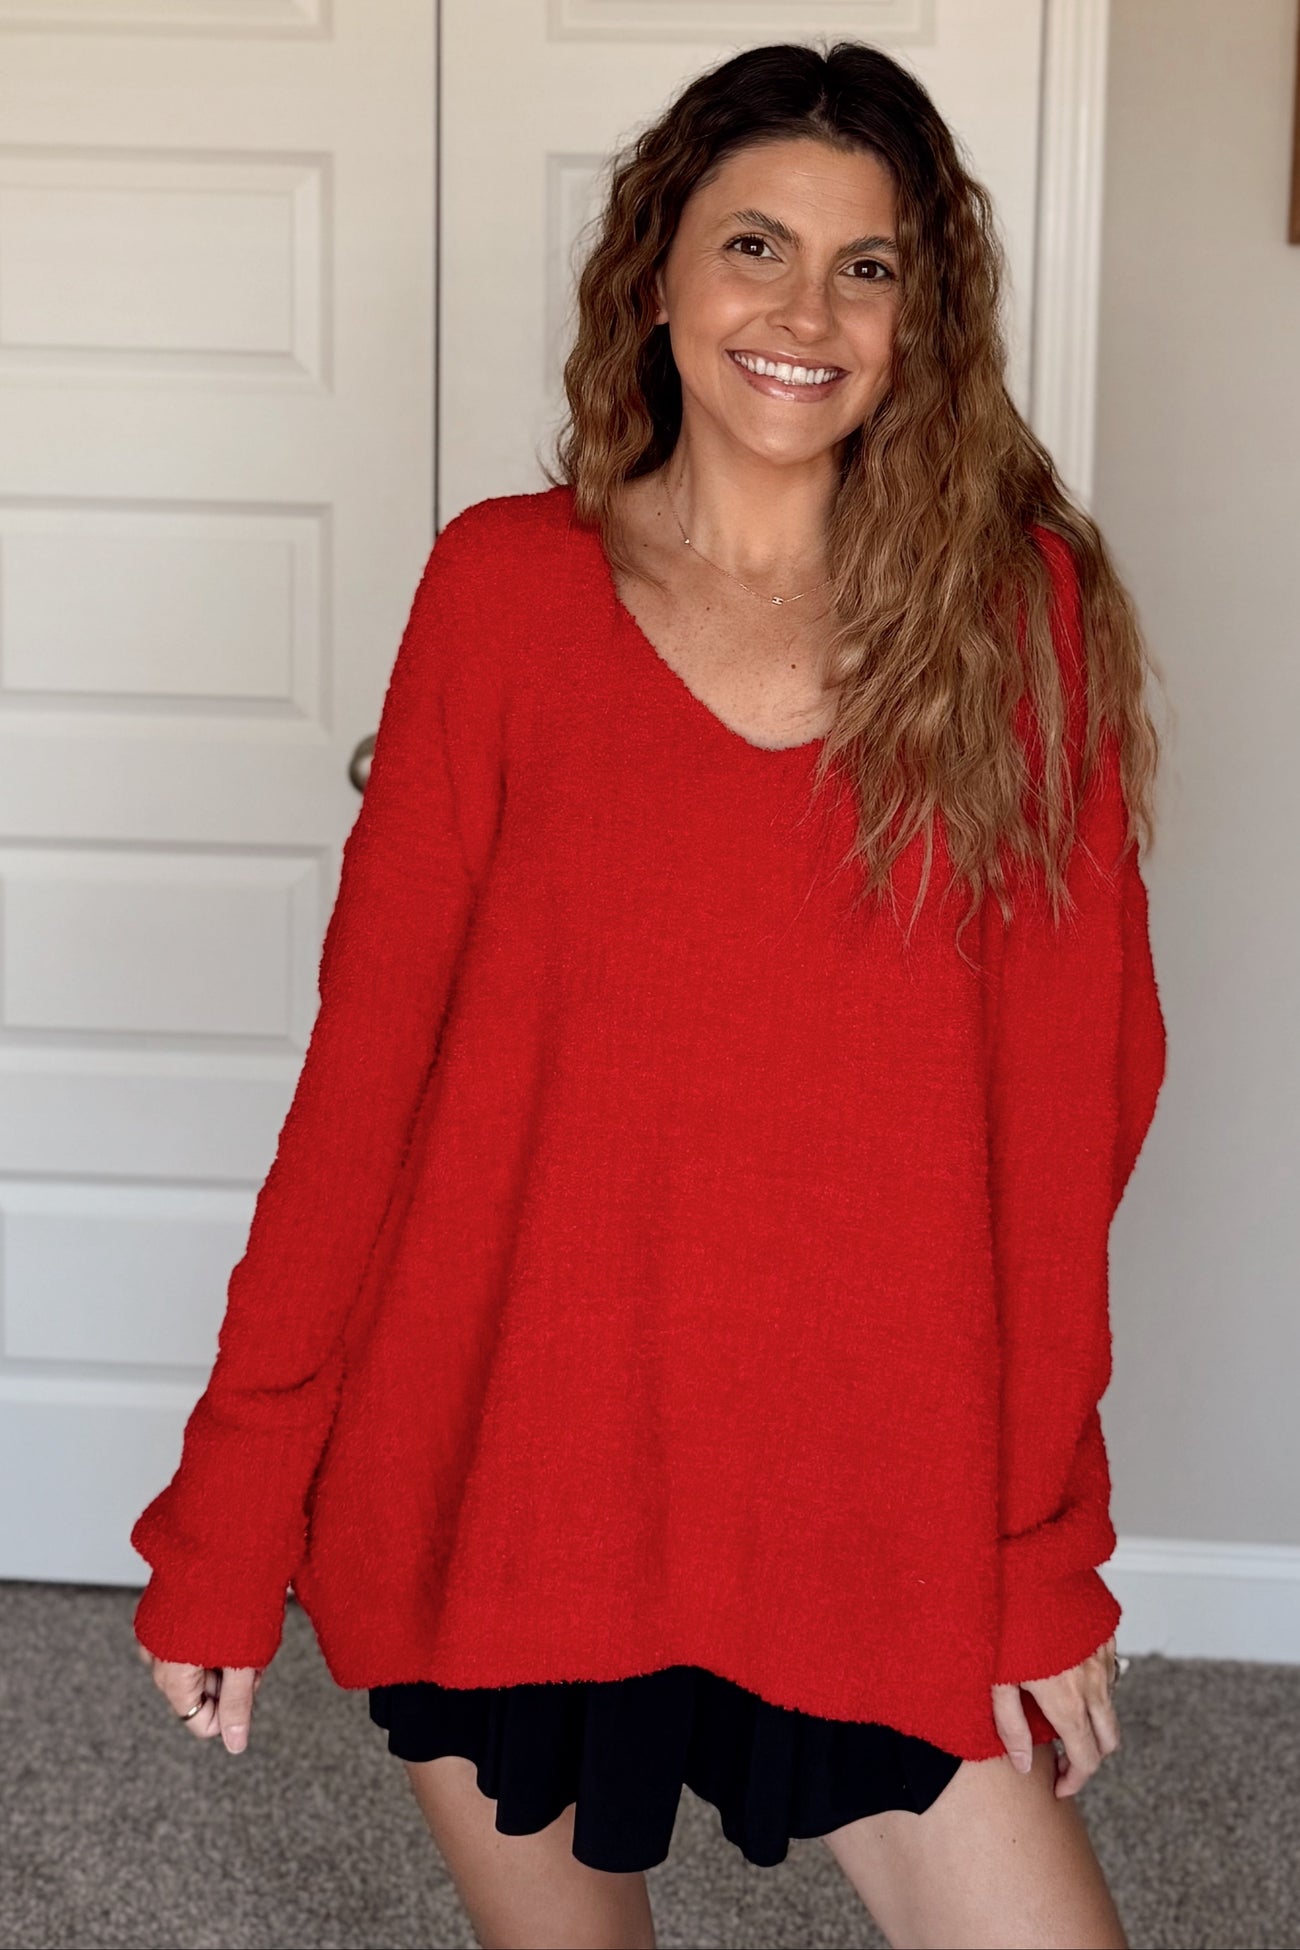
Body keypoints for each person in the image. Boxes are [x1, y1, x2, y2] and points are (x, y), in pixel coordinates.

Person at [130, 39, 1168, 1950]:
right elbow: (364, 1092)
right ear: (659, 274)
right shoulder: (500, 596)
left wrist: (1039, 1545)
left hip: (864, 1477)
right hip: (515, 1451)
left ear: (924, 321)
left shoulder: (1012, 626)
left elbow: (1060, 1135)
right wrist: (228, 1512)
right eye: (755, 244)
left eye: (867, 267)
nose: (804, 313)